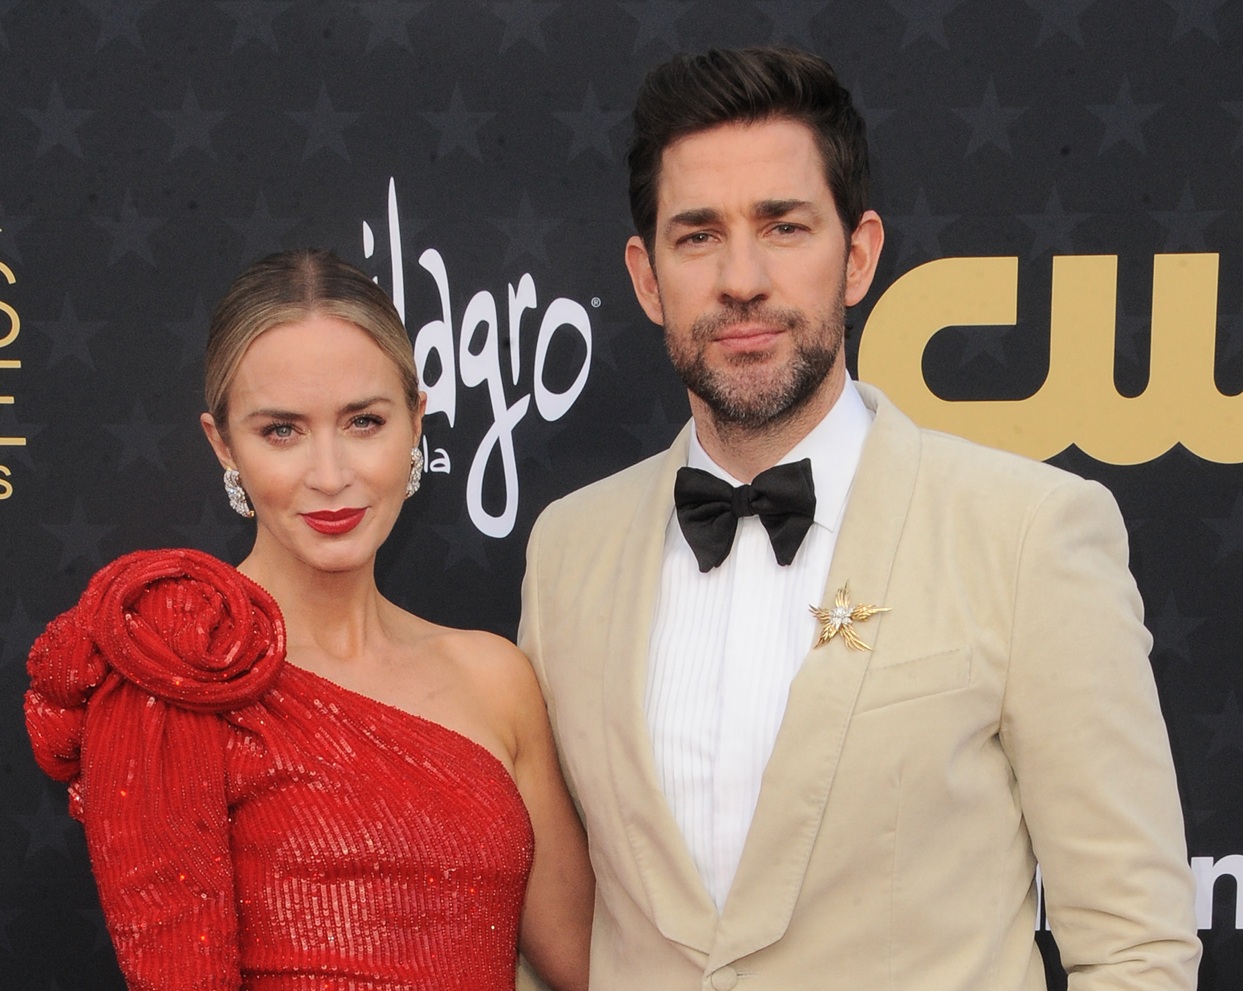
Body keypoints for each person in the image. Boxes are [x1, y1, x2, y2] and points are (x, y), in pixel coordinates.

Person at [518, 46, 1201, 990]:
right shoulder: (566, 552)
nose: (742, 278)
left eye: (784, 226)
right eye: (697, 236)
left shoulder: (1028, 531)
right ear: (645, 277)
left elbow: (1133, 946)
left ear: (859, 255)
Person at [25, 248, 593, 991]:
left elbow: (595, 966)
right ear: (222, 442)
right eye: (281, 431)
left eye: (363, 421)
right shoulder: (179, 668)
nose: (330, 475)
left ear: (417, 421)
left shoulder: (495, 676)